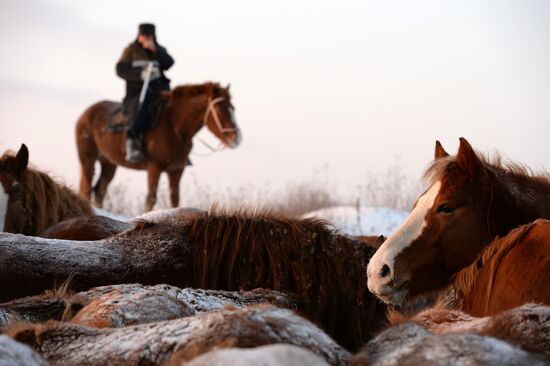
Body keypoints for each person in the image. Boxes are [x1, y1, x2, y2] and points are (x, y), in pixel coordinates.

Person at [116, 23, 174, 163]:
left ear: (154, 36)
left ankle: (176, 144)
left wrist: (156, 51)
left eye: (149, 36)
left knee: (175, 108)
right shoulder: (130, 50)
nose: (146, 38)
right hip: (137, 91)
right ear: (139, 36)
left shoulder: (159, 49)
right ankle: (132, 142)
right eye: (144, 36)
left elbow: (169, 63)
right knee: (141, 108)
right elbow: (120, 69)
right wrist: (140, 75)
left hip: (159, 88)